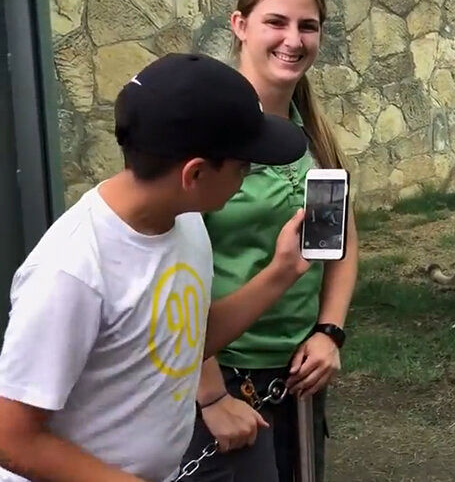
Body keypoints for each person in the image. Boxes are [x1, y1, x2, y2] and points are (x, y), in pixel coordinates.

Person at [0, 52, 311, 482]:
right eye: (243, 167)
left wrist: (282, 272)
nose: (248, 176)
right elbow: (13, 439)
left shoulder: (184, 221)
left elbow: (179, 341)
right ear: (195, 174)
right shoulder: (70, 272)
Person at [180, 0, 358, 482]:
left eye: (308, 26)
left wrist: (330, 332)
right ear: (240, 25)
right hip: (219, 376)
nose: (293, 39)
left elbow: (342, 241)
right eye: (276, 22)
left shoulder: (314, 134)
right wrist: (209, 394)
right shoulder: (204, 134)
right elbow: (171, 278)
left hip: (299, 373)